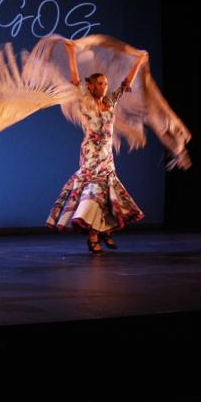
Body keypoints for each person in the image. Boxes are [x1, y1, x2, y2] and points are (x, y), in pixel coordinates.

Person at [47, 40, 147, 254]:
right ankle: (93, 235)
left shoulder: (110, 101)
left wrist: (139, 60)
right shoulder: (85, 100)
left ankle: (105, 231)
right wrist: (71, 53)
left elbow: (126, 82)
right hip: (91, 154)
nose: (103, 87)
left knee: (105, 195)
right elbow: (74, 80)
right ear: (91, 86)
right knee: (93, 194)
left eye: (105, 84)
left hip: (106, 156)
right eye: (99, 84)